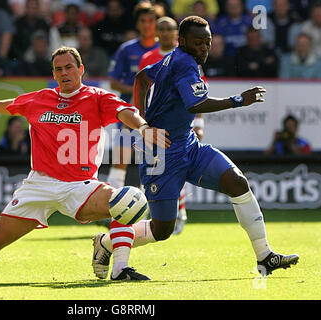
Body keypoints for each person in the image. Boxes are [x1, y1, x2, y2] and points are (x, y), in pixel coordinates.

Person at [0, 46, 170, 283]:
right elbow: (11, 104)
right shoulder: (40, 98)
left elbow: (125, 112)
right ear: (54, 74)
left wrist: (143, 128)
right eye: (58, 69)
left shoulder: (97, 97)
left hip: (80, 186)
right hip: (39, 185)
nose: (64, 73)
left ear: (81, 70)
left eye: (69, 67)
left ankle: (119, 267)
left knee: (127, 201)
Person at [92, 16, 299, 281]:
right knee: (162, 229)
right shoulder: (184, 63)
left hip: (188, 146)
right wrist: (238, 100)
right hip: (161, 155)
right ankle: (107, 243)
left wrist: (143, 118)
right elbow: (195, 104)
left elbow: (142, 78)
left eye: (207, 42)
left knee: (237, 182)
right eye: (198, 43)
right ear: (183, 42)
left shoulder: (174, 59)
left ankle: (265, 255)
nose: (204, 48)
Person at [139, 16, 205, 235]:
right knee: (154, 171)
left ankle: (179, 211)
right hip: (154, 127)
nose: (166, 33)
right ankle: (151, 214)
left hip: (178, 128)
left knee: (177, 168)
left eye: (170, 29)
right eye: (162, 29)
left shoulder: (191, 58)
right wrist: (142, 123)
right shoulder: (150, 57)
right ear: (156, 33)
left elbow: (199, 93)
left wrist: (200, 123)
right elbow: (141, 82)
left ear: (178, 34)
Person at [106, 0, 159, 190]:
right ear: (138, 24)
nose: (147, 25)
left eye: (151, 21)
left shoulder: (164, 50)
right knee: (121, 158)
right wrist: (138, 90)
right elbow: (113, 81)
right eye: (143, 21)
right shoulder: (127, 49)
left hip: (155, 114)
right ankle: (112, 207)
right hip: (130, 112)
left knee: (153, 162)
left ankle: (153, 210)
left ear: (157, 23)